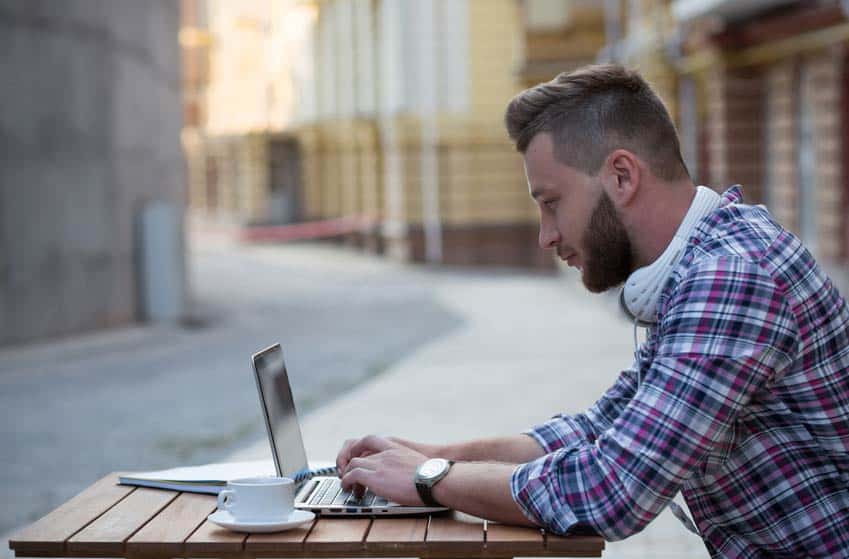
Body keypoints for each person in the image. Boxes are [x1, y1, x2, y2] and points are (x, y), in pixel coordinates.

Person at [335, 64, 849, 557]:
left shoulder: (731, 278)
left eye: (552, 202)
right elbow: (596, 431)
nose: (545, 236)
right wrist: (431, 456)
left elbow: (610, 491)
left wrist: (430, 482)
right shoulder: (697, 268)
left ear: (621, 176)